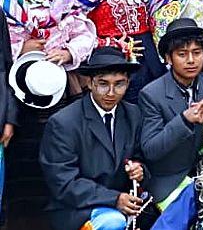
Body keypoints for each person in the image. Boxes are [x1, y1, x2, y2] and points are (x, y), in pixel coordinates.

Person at [1, 0, 97, 223]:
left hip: (59, 94)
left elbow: (85, 34)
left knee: (57, 158)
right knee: (18, 167)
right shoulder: (2, 1)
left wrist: (67, 53)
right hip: (11, 99)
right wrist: (20, 49)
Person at [39, 47, 147, 230]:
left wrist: (139, 169)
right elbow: (63, 182)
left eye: (119, 84)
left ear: (128, 83)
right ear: (89, 83)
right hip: (77, 208)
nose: (111, 92)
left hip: (123, 202)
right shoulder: (63, 122)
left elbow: (141, 156)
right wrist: (114, 199)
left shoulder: (133, 114)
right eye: (103, 84)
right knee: (113, 222)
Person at [138, 18, 203, 207]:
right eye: (182, 54)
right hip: (170, 180)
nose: (191, 60)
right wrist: (184, 120)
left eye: (197, 53)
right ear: (168, 58)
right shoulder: (151, 94)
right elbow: (150, 149)